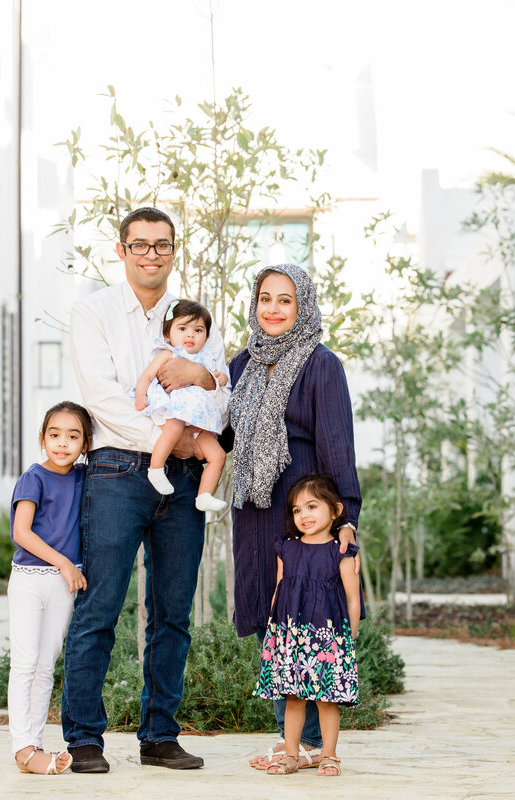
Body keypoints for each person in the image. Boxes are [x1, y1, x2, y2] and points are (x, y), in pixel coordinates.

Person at [62, 206, 228, 773]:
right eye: (141, 245)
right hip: (116, 471)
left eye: (162, 245)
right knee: (100, 606)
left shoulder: (195, 318)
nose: (151, 254)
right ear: (122, 250)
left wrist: (202, 378)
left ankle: (159, 735)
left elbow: (222, 393)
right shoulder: (95, 311)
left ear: (174, 251)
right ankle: (84, 737)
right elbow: (101, 394)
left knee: (172, 612)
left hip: (182, 480)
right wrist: (170, 437)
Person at [220, 262, 362, 772]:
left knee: (310, 618)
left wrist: (346, 517)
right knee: (272, 613)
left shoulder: (322, 365)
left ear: (303, 305)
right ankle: (291, 741)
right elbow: (225, 437)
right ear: (254, 304)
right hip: (256, 507)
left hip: (304, 509)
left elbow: (337, 444)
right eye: (265, 298)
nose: (274, 309)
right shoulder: (242, 364)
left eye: (285, 299)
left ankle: (296, 746)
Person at [7, 401, 93, 776]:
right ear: (42, 439)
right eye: (55, 435)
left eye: (73, 436)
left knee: (45, 667)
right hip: (30, 580)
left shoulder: (82, 478)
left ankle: (36, 743)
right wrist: (62, 562)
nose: (63, 443)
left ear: (86, 444)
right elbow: (21, 532)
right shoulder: (34, 478)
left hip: (63, 585)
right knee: (25, 663)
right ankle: (21, 748)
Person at [255, 473, 360, 777]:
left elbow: (353, 599)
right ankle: (291, 754)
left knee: (327, 699)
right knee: (293, 697)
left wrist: (348, 638)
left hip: (328, 637)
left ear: (335, 510)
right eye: (297, 510)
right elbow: (279, 590)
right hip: (290, 636)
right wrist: (275, 638)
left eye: (312, 507)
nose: (304, 516)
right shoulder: (286, 549)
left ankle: (329, 755)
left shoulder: (340, 552)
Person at [133, 298, 229, 512]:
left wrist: (219, 379)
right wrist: (141, 395)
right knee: (173, 429)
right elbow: (147, 376)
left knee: (218, 455)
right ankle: (156, 469)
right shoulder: (168, 354)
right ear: (168, 334)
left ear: (206, 336)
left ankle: (204, 495)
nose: (190, 334)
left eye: (198, 330)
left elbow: (217, 384)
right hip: (175, 409)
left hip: (197, 420)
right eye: (183, 328)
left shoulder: (207, 357)